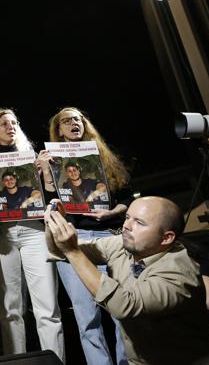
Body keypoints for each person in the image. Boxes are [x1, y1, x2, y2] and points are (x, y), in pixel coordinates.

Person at [45, 197, 209, 365]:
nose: (127, 226)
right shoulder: (124, 245)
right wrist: (52, 223)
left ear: (166, 238)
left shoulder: (178, 273)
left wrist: (73, 251)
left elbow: (124, 306)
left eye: (140, 223)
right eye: (128, 217)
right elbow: (62, 250)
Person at [42, 107, 132, 365]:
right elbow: (48, 206)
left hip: (110, 236)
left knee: (121, 310)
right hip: (76, 239)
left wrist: (112, 211)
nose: (74, 123)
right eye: (67, 121)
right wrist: (48, 173)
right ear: (58, 129)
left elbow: (127, 196)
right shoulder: (53, 161)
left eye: (78, 119)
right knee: (86, 315)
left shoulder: (104, 156)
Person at [0, 108, 64, 360]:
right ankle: (15, 361)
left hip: (34, 232)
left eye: (14, 123)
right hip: (4, 235)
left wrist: (45, 173)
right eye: (3, 124)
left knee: (47, 307)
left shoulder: (33, 159)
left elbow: (53, 196)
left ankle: (55, 361)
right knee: (10, 309)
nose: (10, 127)